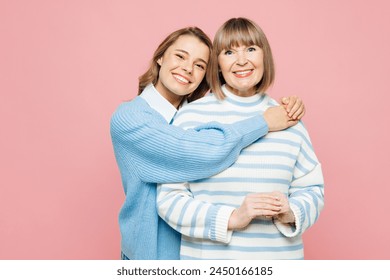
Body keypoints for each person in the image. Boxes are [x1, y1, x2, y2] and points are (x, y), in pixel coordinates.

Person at [110, 26, 305, 260]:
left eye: (200, 65)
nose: (187, 68)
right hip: (152, 256)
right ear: (160, 57)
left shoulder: (196, 115)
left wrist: (286, 106)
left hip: (199, 255)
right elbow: (195, 151)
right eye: (180, 56)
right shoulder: (130, 118)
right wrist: (264, 121)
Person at [157, 18, 324, 260]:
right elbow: (169, 199)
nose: (242, 60)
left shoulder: (287, 116)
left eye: (251, 49)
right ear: (218, 63)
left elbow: (312, 189)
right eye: (229, 52)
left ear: (264, 56)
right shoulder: (191, 117)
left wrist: (290, 212)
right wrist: (232, 217)